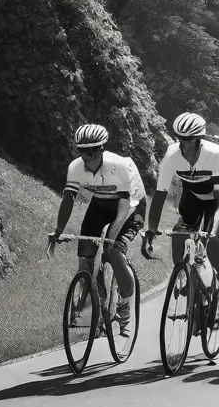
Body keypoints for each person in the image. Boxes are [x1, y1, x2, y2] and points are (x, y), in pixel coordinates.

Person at [48, 123, 147, 338]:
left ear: (101, 148)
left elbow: (123, 208)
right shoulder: (76, 167)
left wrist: (111, 240)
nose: (85, 156)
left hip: (130, 207)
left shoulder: (118, 165)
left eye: (91, 151)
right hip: (101, 204)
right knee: (85, 255)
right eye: (81, 150)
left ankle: (125, 306)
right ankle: (92, 303)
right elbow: (69, 198)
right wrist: (58, 229)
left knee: (113, 252)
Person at [144, 112, 219, 322]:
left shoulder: (215, 154)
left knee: (213, 249)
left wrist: (214, 232)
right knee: (178, 240)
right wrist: (151, 229)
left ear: (198, 139)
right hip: (192, 196)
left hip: (216, 199)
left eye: (187, 139)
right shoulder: (172, 155)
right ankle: (187, 278)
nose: (182, 143)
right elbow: (160, 195)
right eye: (180, 138)